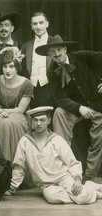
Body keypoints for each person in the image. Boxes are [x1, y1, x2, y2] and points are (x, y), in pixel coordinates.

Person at [35, 35, 102, 182]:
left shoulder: (83, 56)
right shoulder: (52, 72)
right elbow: (60, 99)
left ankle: (90, 175)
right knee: (59, 113)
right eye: (53, 53)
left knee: (98, 137)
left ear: (65, 49)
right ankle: (65, 168)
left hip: (98, 104)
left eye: (59, 51)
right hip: (78, 107)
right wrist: (79, 108)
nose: (58, 56)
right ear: (49, 55)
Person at [5, 106, 102, 204]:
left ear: (49, 121)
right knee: (53, 198)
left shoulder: (57, 139)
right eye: (35, 120)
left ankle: (88, 188)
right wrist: (12, 188)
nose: (38, 123)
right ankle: (90, 190)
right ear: (31, 122)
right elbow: (19, 166)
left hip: (64, 178)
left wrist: (77, 179)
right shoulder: (25, 141)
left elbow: (73, 162)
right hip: (46, 185)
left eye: (42, 120)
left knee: (83, 198)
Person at [0, 46, 34, 162]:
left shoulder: (27, 84)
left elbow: (20, 110)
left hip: (19, 117)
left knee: (9, 122)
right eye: (5, 66)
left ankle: (14, 163)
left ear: (17, 67)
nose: (7, 70)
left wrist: (0, 110)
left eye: (11, 66)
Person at [21, 12, 54, 108]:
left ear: (47, 24)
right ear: (31, 26)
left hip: (50, 87)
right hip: (32, 88)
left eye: (41, 23)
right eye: (35, 24)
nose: (38, 26)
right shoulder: (26, 46)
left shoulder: (54, 42)